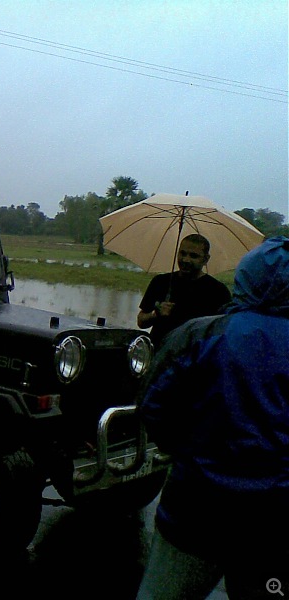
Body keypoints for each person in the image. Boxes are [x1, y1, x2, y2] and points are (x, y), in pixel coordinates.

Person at [135, 236, 289, 600]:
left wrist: (184, 451)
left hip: (195, 512)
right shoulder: (189, 316)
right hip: (275, 523)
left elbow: (153, 407)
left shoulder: (201, 334)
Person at [137, 233, 231, 349]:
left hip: (194, 358)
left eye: (193, 256)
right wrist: (155, 314)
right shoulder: (161, 282)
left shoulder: (218, 291)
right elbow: (141, 322)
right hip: (157, 354)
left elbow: (224, 333)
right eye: (182, 253)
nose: (185, 260)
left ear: (206, 259)